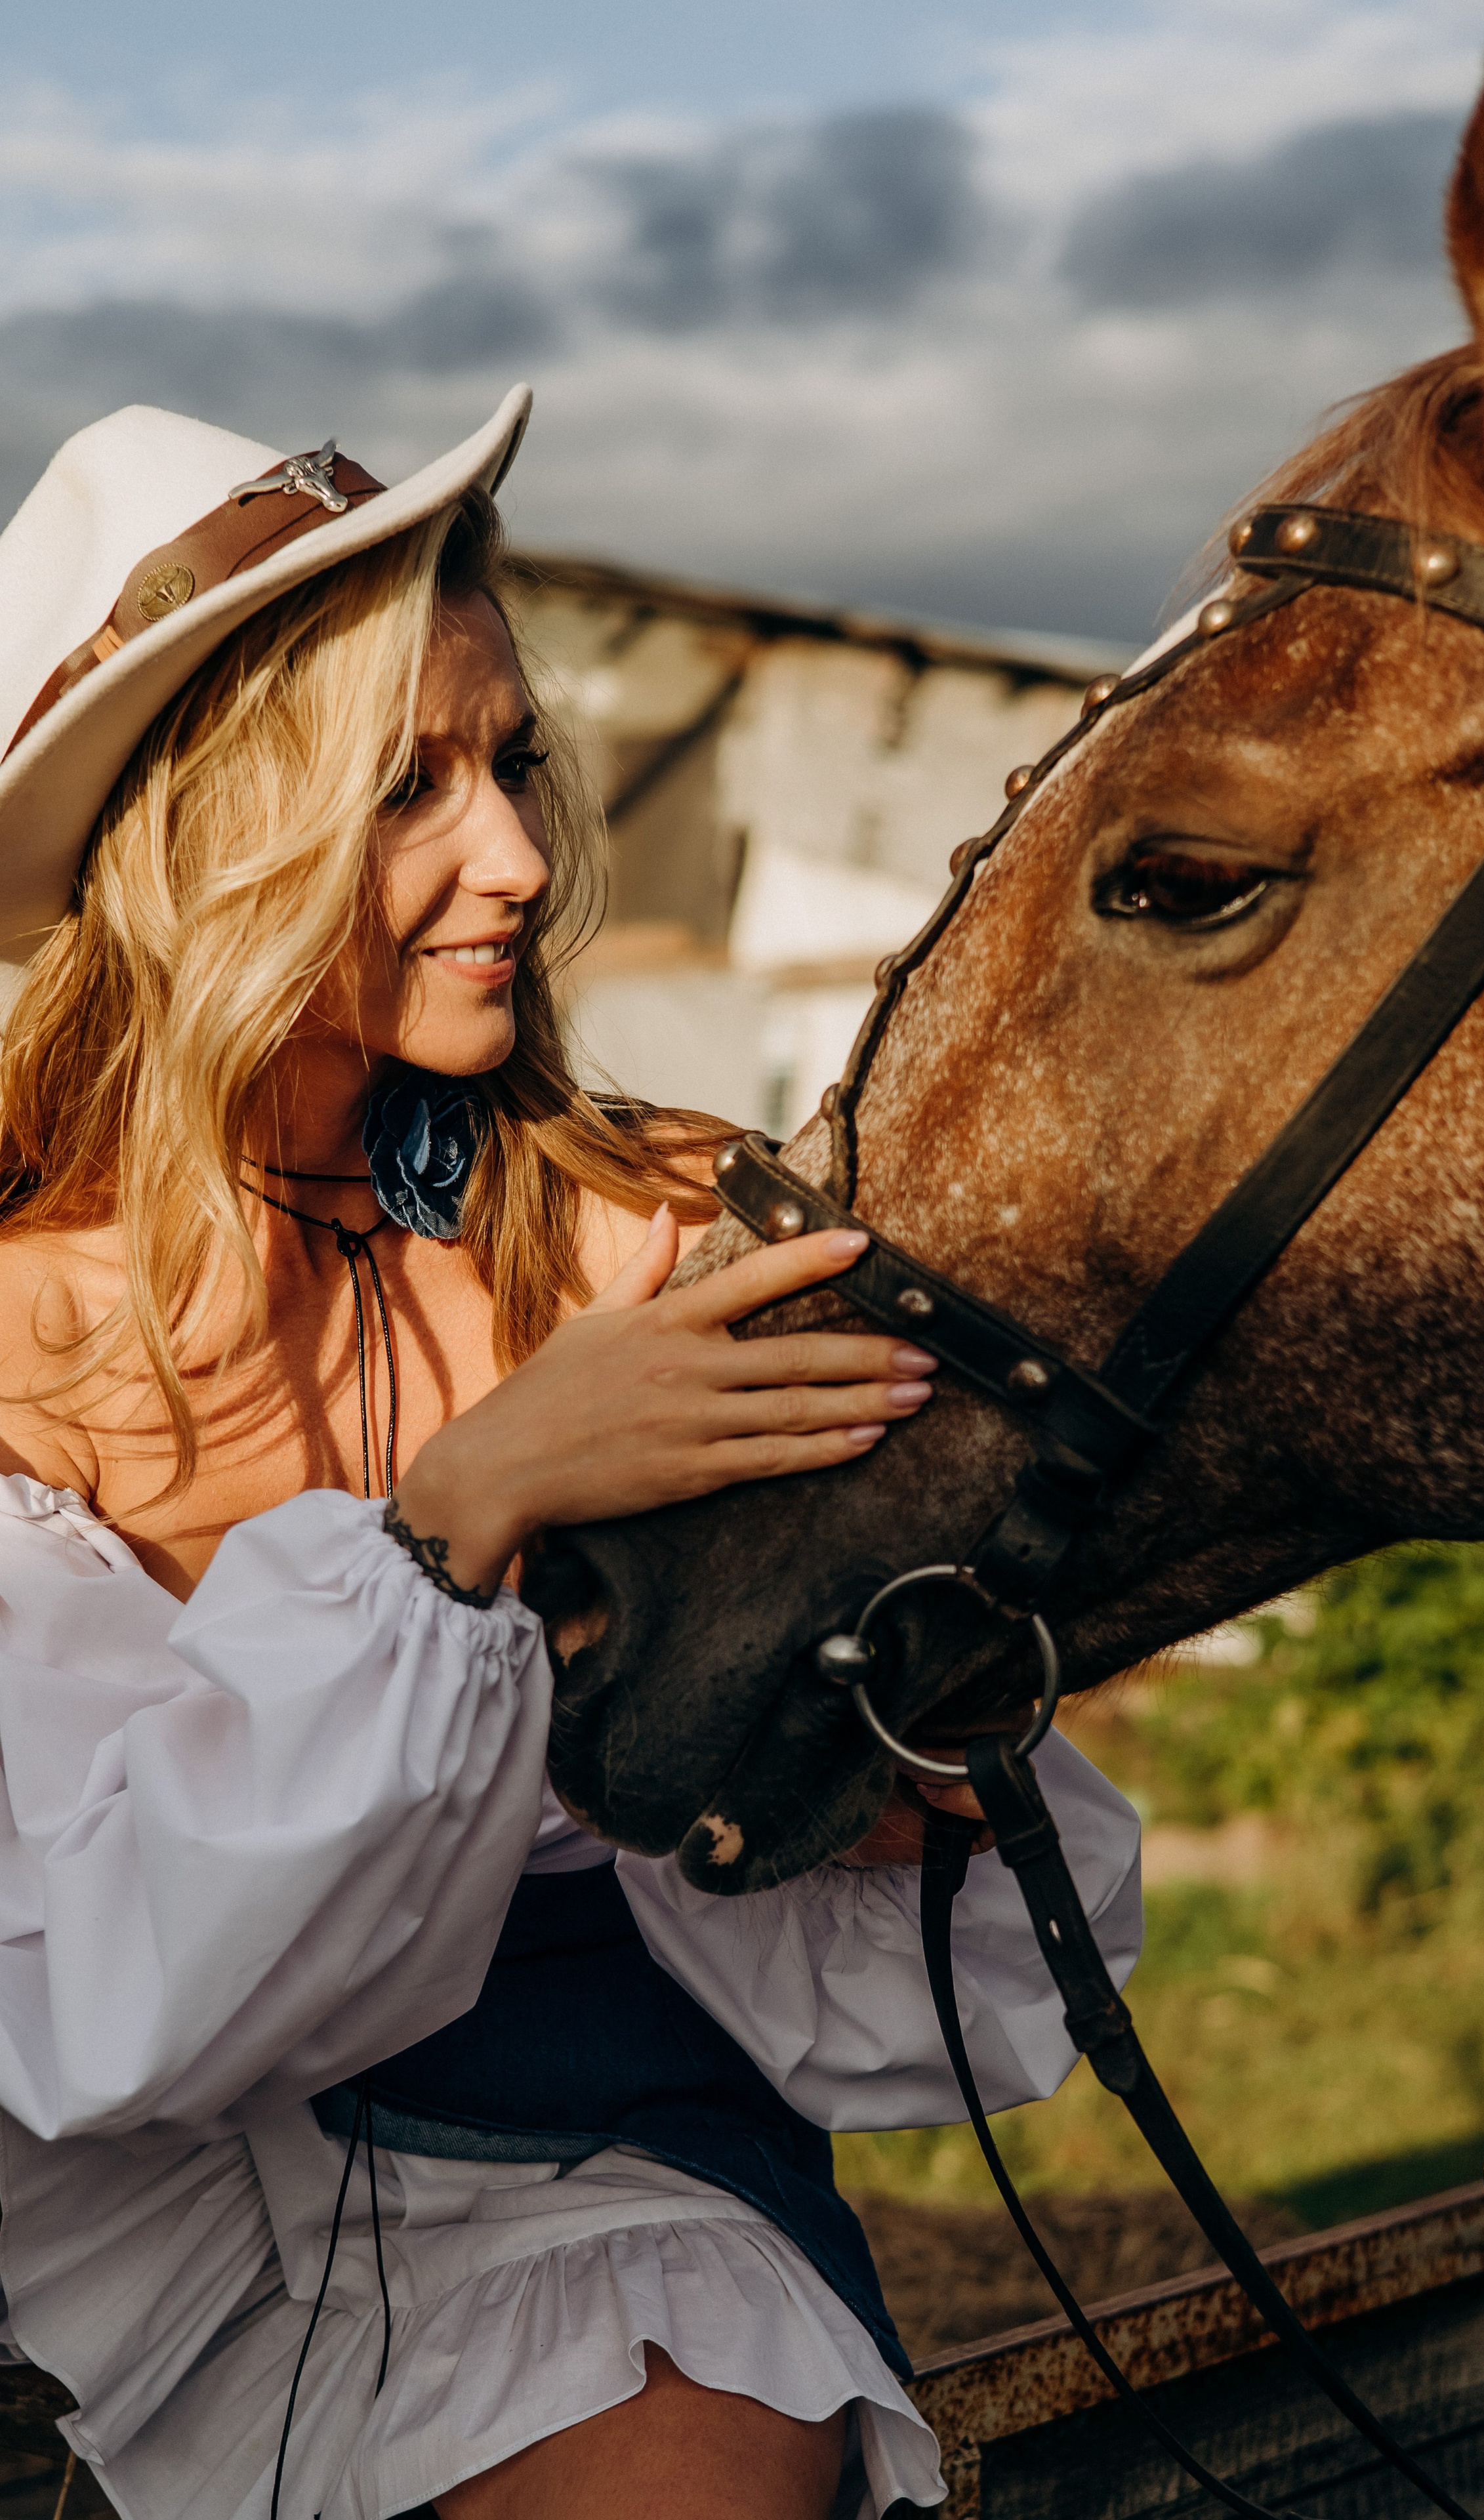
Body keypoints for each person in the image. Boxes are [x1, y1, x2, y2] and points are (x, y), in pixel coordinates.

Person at [0, 388, 1144, 2520]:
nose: (516, 854)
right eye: (402, 788)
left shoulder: (663, 1232)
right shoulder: (11, 1337)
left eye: (511, 758)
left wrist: (889, 1741)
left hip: (618, 2188)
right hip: (191, 2258)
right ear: (201, 839)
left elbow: (909, 1793)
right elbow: (109, 1997)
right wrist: (467, 1510)